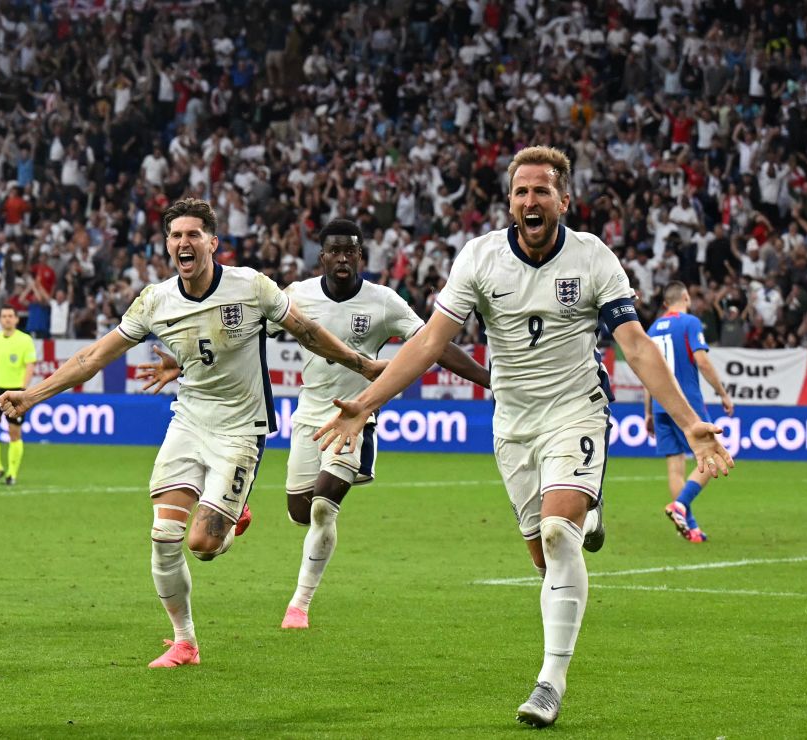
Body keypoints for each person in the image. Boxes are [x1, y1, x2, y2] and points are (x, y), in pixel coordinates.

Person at [313, 147, 733, 728]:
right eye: (520, 192)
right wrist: (365, 401)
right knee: (543, 556)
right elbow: (432, 341)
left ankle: (549, 683)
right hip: (511, 423)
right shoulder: (481, 259)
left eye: (542, 191)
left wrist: (691, 424)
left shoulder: (593, 259)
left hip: (576, 410)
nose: (530, 201)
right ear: (510, 202)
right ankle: (588, 509)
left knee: (559, 533)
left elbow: (635, 345)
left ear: (564, 200)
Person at [0, 198, 386, 669]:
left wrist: (363, 365)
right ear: (167, 244)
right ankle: (185, 643)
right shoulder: (155, 301)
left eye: (194, 235)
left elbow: (306, 331)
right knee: (163, 534)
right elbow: (93, 358)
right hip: (188, 421)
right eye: (176, 235)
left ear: (212, 242)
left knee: (202, 545)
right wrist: (33, 395)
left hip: (240, 430)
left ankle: (233, 513)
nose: (185, 242)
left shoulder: (251, 287)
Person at [272, 219, 490, 630]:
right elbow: (250, 330)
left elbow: (434, 344)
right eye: (334, 251)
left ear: (360, 256)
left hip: (355, 415)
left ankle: (299, 605)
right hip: (307, 417)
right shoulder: (296, 296)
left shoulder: (384, 302)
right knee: (300, 513)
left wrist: (489, 379)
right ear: (322, 257)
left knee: (322, 507)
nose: (342, 258)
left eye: (349, 251)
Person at [645, 281, 735, 542]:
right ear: (685, 297)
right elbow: (703, 362)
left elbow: (647, 373)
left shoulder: (652, 329)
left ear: (664, 303)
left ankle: (690, 526)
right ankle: (680, 505)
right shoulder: (690, 322)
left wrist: (648, 412)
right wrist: (723, 393)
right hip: (687, 405)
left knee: (676, 467)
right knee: (713, 457)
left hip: (661, 405)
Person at [0, 306, 37, 485]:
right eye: (4, 316)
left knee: (14, 433)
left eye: (10, 316)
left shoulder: (25, 340)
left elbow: (30, 366)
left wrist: (23, 389)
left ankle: (12, 474)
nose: (7, 319)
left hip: (15, 391)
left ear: (16, 319)